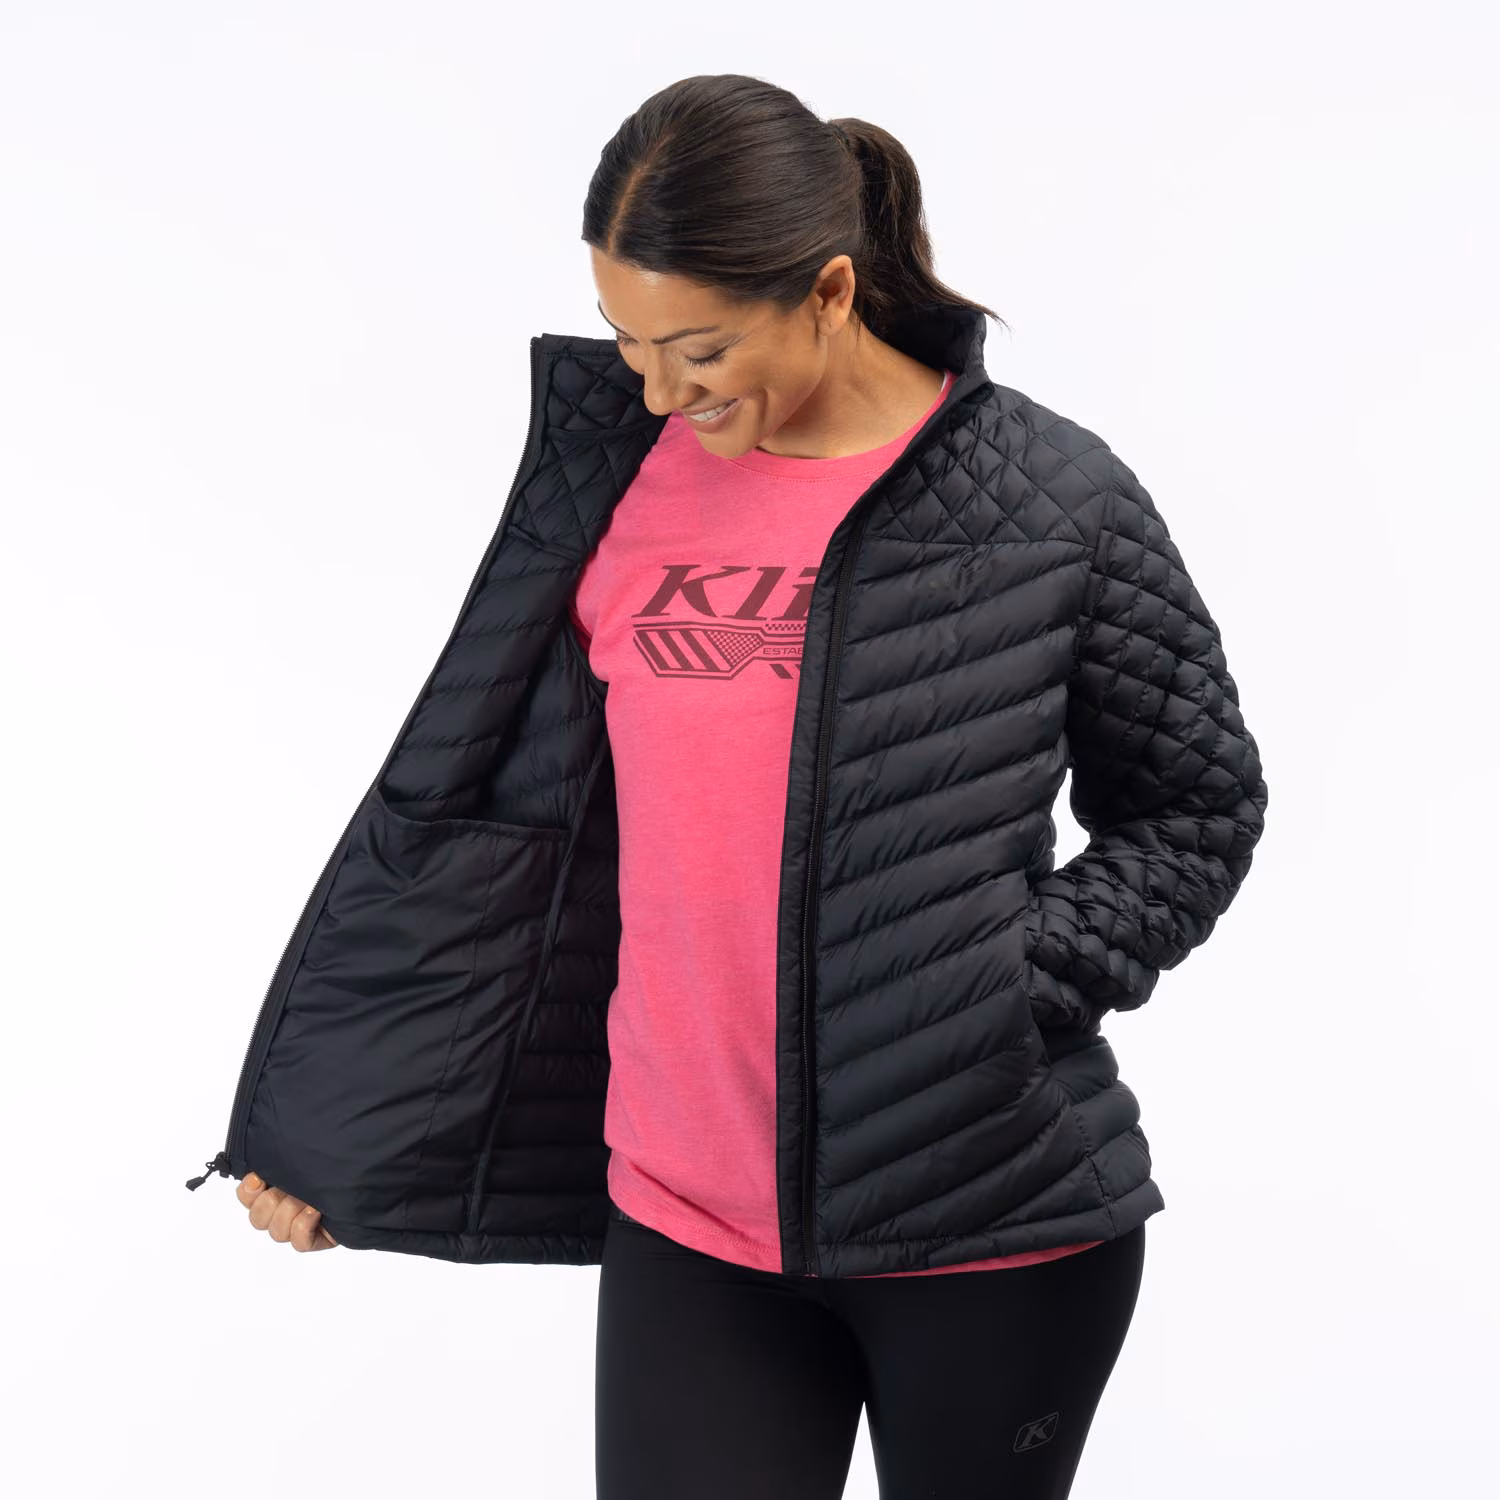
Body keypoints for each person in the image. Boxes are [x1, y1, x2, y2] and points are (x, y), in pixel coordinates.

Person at [222, 73, 1267, 1500]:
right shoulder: (611, 481)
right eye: (628, 342)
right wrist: (346, 1128)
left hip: (987, 1217)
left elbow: (1196, 804)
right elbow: (492, 833)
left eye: (700, 348)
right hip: (684, 1223)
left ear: (829, 291)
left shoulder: (1051, 500)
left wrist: (1007, 987)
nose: (661, 390)